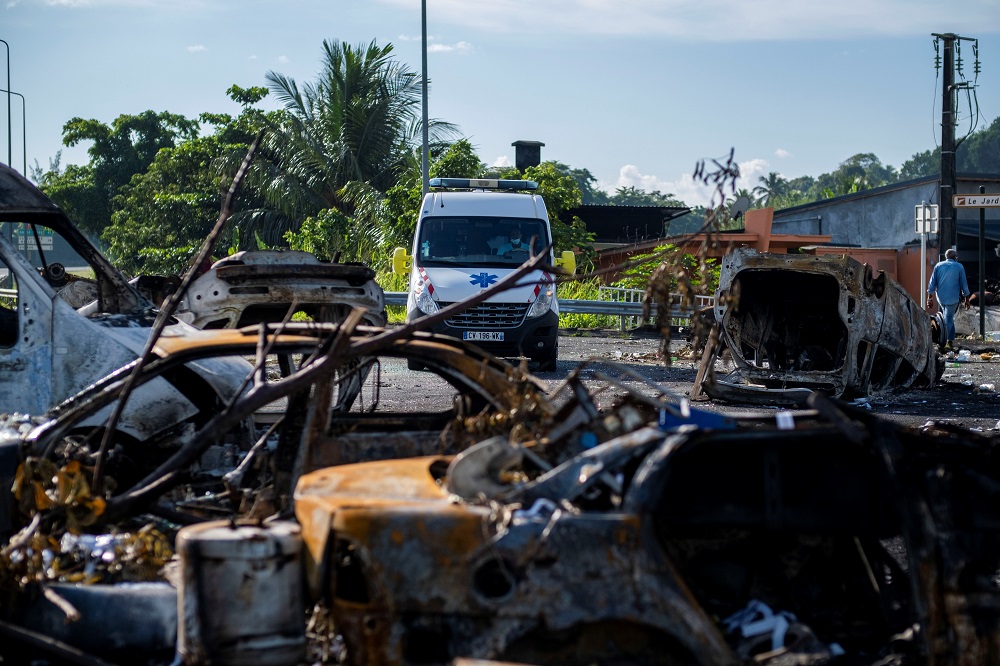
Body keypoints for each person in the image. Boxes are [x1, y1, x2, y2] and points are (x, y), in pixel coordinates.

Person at [927, 248, 971, 349]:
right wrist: (967, 299)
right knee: (948, 319)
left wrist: (930, 298)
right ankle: (944, 341)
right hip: (953, 298)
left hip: (940, 297)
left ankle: (950, 340)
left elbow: (932, 283)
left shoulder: (938, 265)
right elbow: (964, 284)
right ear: (955, 257)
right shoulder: (959, 266)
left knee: (948, 317)